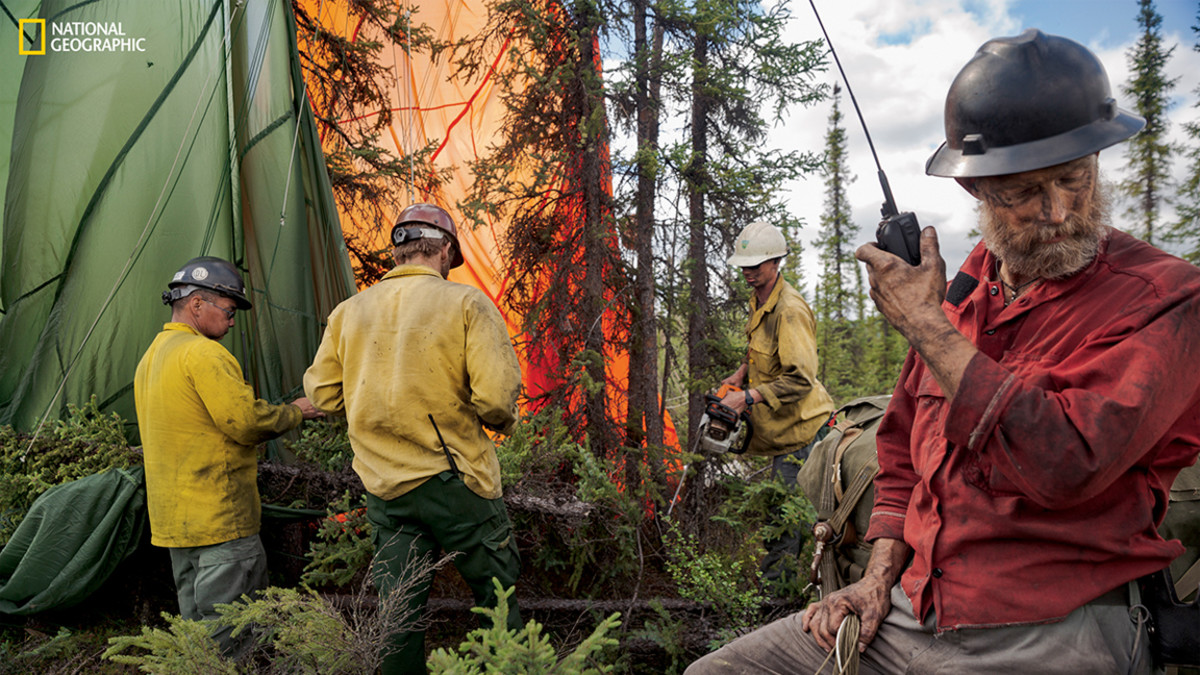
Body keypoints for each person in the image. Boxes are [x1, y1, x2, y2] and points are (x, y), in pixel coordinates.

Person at [687, 29, 1200, 674]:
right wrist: (876, 580)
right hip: (914, 607)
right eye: (1022, 192)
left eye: (1075, 178)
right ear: (975, 188)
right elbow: (902, 452)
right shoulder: (968, 290)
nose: (1058, 211)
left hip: (1052, 629)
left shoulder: (1164, 299)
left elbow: (1067, 465)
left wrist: (924, 325)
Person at [304, 203, 523, 674]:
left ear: (397, 252)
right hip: (458, 481)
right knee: (497, 599)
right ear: (444, 251)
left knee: (398, 614)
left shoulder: (348, 312)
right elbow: (495, 402)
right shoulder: (467, 304)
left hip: (386, 489)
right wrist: (505, 424)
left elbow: (323, 395)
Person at [135, 256, 322, 656]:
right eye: (229, 310)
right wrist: (297, 412)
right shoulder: (204, 354)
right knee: (235, 639)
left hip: (176, 523)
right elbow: (244, 422)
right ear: (196, 304)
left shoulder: (152, 356)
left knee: (197, 637)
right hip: (221, 521)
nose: (233, 321)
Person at [719, 221, 835, 586]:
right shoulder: (760, 300)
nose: (748, 272)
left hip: (803, 432)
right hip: (784, 431)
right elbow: (761, 352)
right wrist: (741, 374)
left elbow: (801, 378)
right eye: (744, 266)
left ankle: (777, 597)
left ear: (775, 262)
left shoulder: (789, 310)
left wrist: (747, 397)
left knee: (785, 520)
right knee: (782, 512)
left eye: (755, 265)